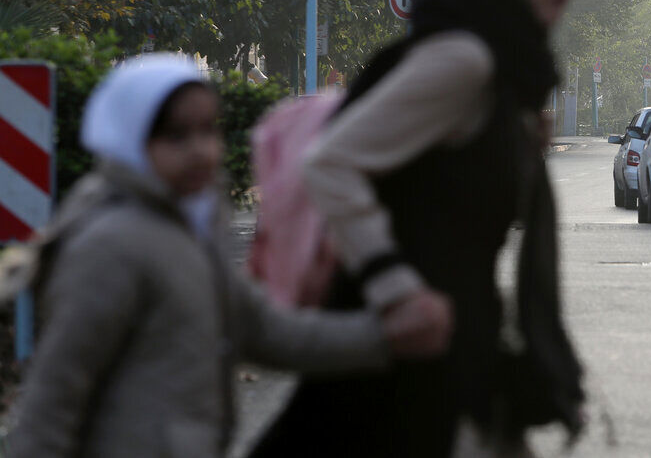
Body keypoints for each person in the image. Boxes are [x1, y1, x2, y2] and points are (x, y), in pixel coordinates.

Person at [251, 0, 588, 456]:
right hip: (402, 372)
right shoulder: (465, 58)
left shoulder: (504, 74)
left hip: (452, 360)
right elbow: (330, 163)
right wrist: (396, 289)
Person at [6, 53, 428, 458]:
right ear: (129, 138)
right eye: (176, 135)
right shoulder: (109, 246)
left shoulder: (190, 231)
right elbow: (54, 398)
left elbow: (264, 329)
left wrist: (384, 337)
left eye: (209, 130)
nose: (201, 150)